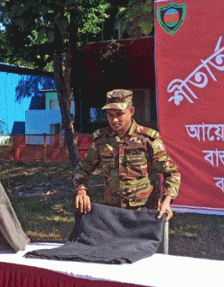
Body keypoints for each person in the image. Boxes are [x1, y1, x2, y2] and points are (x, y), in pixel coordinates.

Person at [74, 89, 181, 220]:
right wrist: (81, 190)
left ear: (131, 111)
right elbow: (83, 169)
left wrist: (167, 201)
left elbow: (172, 173)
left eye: (119, 114)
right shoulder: (101, 140)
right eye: (110, 114)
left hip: (144, 212)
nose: (114, 120)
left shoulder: (148, 139)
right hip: (113, 212)